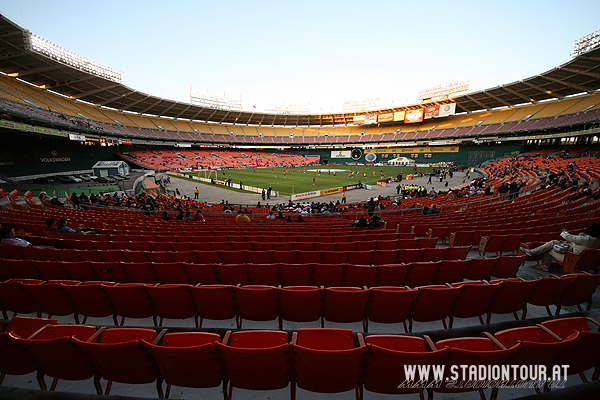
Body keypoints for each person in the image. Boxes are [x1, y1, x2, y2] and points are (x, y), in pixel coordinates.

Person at [520, 223, 600, 271]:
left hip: (573, 259)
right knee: (554, 242)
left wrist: (564, 232)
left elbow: (569, 237)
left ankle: (545, 265)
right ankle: (533, 252)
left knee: (549, 249)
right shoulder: (597, 240)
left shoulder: (587, 239)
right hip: (585, 260)